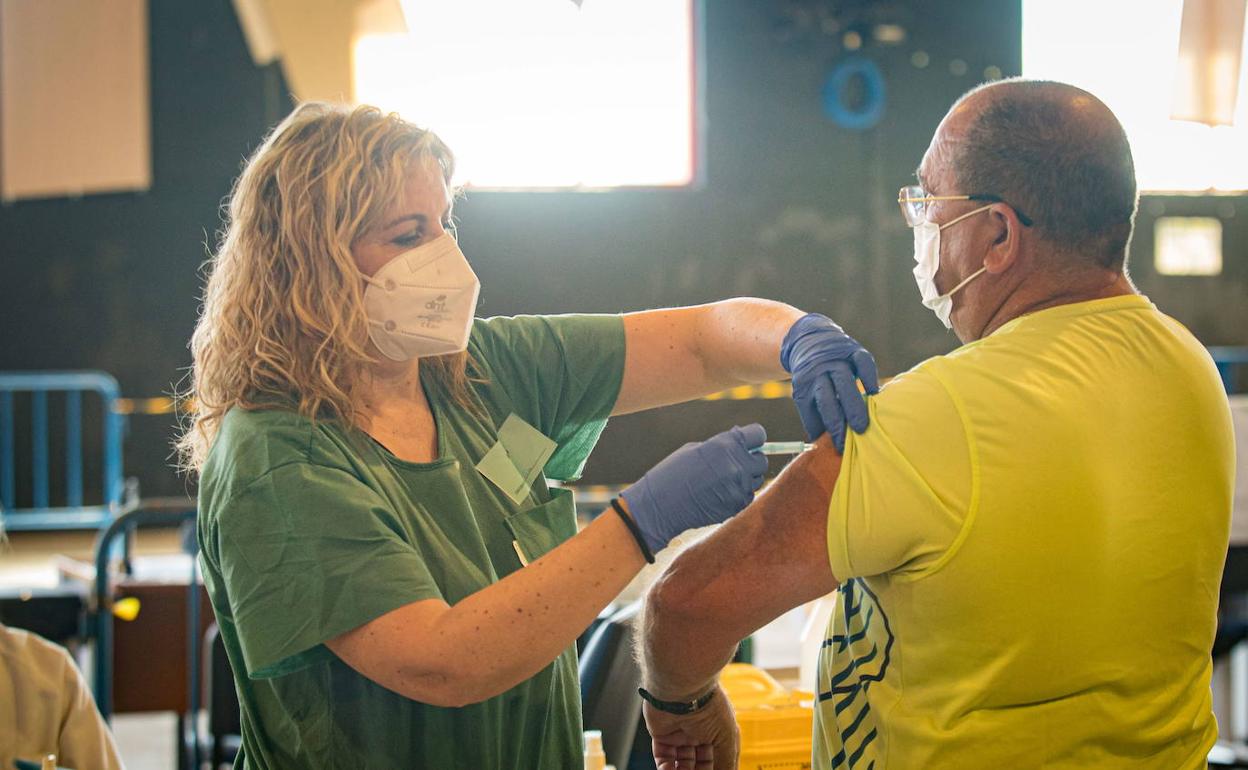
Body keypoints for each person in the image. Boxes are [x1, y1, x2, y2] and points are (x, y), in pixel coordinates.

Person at [176, 102, 879, 769]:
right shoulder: (276, 453)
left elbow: (699, 341)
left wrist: (796, 337)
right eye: (407, 234)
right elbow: (443, 661)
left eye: (445, 223)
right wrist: (640, 523)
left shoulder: (479, 373)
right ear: (309, 256)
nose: (443, 255)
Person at [637, 79, 1236, 770]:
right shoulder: (1189, 368)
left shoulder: (936, 412)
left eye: (929, 201)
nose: (919, 226)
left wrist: (687, 709)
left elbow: (685, 607)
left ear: (999, 235)